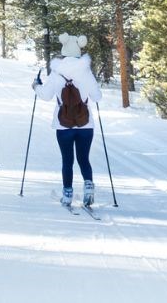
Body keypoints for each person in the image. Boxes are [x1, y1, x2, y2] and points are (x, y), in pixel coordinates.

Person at [34, 34, 99, 209]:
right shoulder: (86, 71)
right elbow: (97, 96)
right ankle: (88, 187)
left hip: (63, 125)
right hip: (85, 124)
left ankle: (68, 194)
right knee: (83, 158)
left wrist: (36, 86)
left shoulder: (56, 72)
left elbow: (46, 95)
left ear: (63, 51)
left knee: (67, 160)